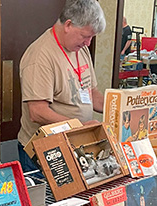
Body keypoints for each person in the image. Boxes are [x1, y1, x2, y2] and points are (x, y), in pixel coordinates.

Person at [17, 0, 106, 173]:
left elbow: (92, 93)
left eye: (91, 37)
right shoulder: (40, 56)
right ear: (68, 25)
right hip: (45, 151)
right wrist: (80, 127)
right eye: (85, 36)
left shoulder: (81, 49)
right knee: (48, 200)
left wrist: (119, 109)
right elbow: (37, 112)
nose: (88, 43)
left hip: (75, 145)